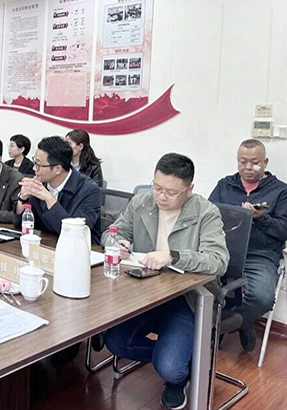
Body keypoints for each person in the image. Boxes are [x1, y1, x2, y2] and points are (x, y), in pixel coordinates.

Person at [103, 153, 229, 410]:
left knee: (170, 367)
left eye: (171, 193)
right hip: (146, 293)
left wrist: (173, 256)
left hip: (187, 299)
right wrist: (118, 243)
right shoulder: (141, 202)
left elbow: (218, 260)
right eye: (157, 187)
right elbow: (110, 233)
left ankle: (176, 374)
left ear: (189, 189)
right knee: (115, 342)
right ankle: (182, 360)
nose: (161, 197)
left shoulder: (206, 212)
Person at [209, 139, 287, 352]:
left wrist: (262, 218)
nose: (248, 167)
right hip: (225, 250)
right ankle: (238, 322)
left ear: (265, 163)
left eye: (255, 162)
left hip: (260, 255)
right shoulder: (225, 185)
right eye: (243, 162)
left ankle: (231, 323)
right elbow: (208, 217)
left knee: (262, 297)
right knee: (196, 287)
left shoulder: (281, 191)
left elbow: (284, 230)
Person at [14, 136, 102, 244]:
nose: (34, 168)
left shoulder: (89, 190)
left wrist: (49, 199)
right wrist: (23, 198)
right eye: (34, 162)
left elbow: (76, 234)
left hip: (79, 250)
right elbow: (19, 225)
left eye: (38, 164)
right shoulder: (40, 183)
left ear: (57, 169)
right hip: (44, 245)